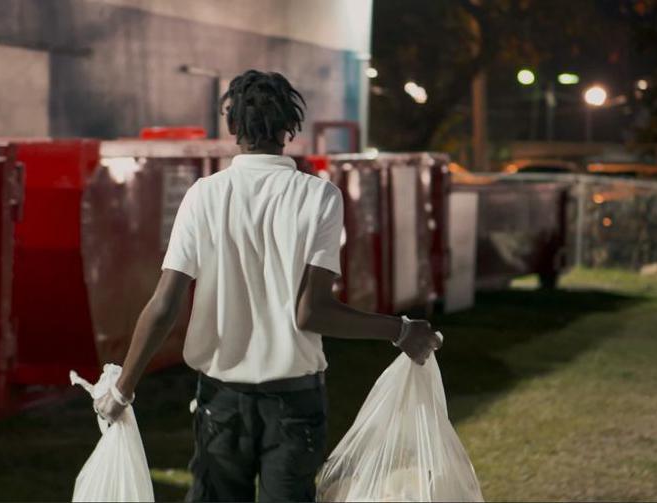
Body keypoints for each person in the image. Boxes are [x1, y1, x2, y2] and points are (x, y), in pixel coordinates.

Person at [94, 69, 442, 502]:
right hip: (293, 406)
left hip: (220, 404)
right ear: (288, 130)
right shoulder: (318, 197)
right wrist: (403, 331)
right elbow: (313, 312)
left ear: (233, 127)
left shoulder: (204, 195)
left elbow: (165, 303)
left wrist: (123, 388)